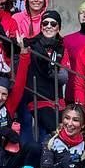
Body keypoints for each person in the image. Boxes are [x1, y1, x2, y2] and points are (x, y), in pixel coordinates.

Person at [19, 8, 68, 146]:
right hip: (34, 97)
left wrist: (53, 72)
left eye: (53, 24)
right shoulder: (31, 45)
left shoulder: (62, 48)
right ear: (41, 27)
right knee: (38, 139)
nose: (48, 26)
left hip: (55, 99)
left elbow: (65, 77)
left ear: (58, 28)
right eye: (45, 23)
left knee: (53, 137)